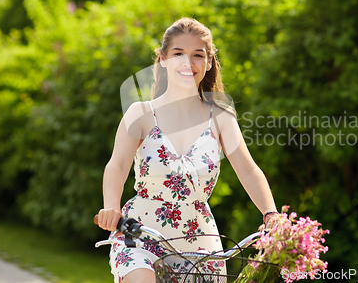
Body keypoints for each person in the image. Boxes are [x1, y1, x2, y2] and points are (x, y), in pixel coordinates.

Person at [96, 17, 280, 283]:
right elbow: (117, 165)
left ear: (208, 63)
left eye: (197, 55)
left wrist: (271, 214)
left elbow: (248, 170)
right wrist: (111, 207)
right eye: (178, 53)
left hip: (199, 242)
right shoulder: (141, 113)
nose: (187, 62)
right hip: (141, 234)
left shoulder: (221, 117)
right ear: (162, 59)